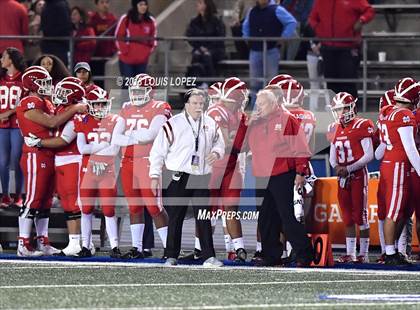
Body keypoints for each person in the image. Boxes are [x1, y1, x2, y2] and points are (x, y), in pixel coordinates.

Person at [149, 88, 225, 267]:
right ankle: (171, 255)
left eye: (201, 103)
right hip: (178, 176)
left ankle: (208, 256)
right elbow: (158, 152)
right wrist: (154, 175)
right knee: (176, 216)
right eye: (195, 103)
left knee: (204, 216)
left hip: (201, 175)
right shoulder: (173, 123)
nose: (199, 106)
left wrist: (216, 152)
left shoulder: (211, 122)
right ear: (186, 105)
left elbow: (219, 143)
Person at [16, 65, 86, 256]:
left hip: (48, 153)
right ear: (32, 83)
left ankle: (42, 241)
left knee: (46, 200)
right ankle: (23, 243)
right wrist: (76, 108)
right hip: (34, 152)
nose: (48, 86)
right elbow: (52, 123)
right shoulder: (29, 101)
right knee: (33, 199)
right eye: (43, 82)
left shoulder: (45, 101)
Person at [244, 89, 313, 266]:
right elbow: (241, 146)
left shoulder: (287, 119)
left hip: (282, 173)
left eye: (262, 104)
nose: (258, 107)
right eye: (257, 104)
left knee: (287, 217)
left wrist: (300, 172)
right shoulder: (255, 122)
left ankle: (305, 254)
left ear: (274, 103)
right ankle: (271, 255)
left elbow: (301, 148)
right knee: (265, 218)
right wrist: (247, 125)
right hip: (261, 174)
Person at [111, 73, 170, 258]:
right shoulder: (126, 107)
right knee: (134, 207)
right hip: (127, 162)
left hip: (148, 162)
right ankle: (137, 247)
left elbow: (151, 135)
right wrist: (137, 136)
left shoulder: (160, 107)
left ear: (150, 91)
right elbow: (114, 136)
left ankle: (170, 247)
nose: (136, 94)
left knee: (154, 207)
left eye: (140, 90)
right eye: (134, 90)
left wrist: (129, 136)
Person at [375, 78, 420, 265]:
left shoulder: (388, 112)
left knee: (398, 211)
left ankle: (391, 250)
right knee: (394, 212)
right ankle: (390, 252)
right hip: (398, 164)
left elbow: (381, 148)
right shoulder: (404, 115)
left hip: (388, 162)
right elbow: (410, 149)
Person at [74, 87, 122, 258]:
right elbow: (81, 148)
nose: (101, 107)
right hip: (88, 171)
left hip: (107, 171)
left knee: (109, 209)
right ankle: (85, 246)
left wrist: (94, 150)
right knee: (86, 209)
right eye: (97, 104)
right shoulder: (82, 120)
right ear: (89, 104)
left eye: (103, 104)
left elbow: (114, 150)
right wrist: (103, 146)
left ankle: (115, 246)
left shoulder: (115, 120)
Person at [328, 92, 374, 263]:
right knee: (347, 216)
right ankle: (350, 253)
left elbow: (369, 155)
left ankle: (363, 254)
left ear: (352, 107)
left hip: (358, 176)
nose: (340, 113)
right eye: (337, 109)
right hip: (343, 178)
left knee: (360, 216)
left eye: (343, 108)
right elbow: (333, 157)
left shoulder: (362, 124)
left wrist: (349, 168)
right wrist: (337, 167)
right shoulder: (334, 127)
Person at [206, 77, 248, 261]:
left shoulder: (240, 115)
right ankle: (202, 248)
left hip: (232, 166)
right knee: (209, 210)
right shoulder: (217, 111)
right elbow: (224, 144)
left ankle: (239, 248)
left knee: (231, 208)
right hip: (213, 167)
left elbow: (243, 146)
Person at [308, 0, 375, 99]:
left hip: (348, 47)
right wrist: (320, 31)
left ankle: (351, 112)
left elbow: (369, 11)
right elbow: (313, 18)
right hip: (328, 47)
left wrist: (361, 20)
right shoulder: (321, 1)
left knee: (348, 83)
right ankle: (336, 112)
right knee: (331, 84)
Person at [242, 0, 297, 108]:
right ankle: (255, 110)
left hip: (271, 50)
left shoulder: (277, 9)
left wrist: (283, 37)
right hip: (255, 50)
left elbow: (291, 22)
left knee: (271, 83)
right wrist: (247, 38)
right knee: (255, 83)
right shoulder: (252, 11)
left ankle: (270, 111)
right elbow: (245, 26)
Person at [0, 47, 27, 208]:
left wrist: (8, 112)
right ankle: (5, 195)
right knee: (2, 161)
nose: (1, 59)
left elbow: (26, 103)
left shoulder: (24, 79)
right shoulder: (1, 78)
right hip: (2, 126)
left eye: (4, 56)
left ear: (12, 60)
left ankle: (18, 195)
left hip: (17, 125)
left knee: (17, 160)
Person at [185, 0, 225, 87]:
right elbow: (190, 36)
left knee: (207, 56)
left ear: (206, 5)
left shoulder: (216, 20)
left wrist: (208, 48)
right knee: (196, 55)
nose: (197, 4)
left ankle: (210, 83)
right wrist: (200, 47)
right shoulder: (194, 21)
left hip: (216, 49)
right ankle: (196, 84)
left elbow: (220, 37)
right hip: (199, 48)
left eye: (200, 2)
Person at [115, 0, 157, 81]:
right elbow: (118, 36)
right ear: (135, 5)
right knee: (127, 84)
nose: (143, 7)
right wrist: (125, 51)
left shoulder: (151, 20)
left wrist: (146, 53)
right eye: (141, 4)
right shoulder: (126, 18)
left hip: (142, 60)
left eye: (145, 4)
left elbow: (153, 40)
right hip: (126, 59)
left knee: (139, 86)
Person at [89, 0, 117, 89]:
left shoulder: (112, 19)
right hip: (95, 56)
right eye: (102, 2)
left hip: (108, 56)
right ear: (97, 5)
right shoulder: (92, 19)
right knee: (97, 83)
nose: (105, 5)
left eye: (107, 2)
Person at [40, 0, 72, 66]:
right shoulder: (49, 4)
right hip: (52, 45)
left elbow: (64, 27)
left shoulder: (59, 5)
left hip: (57, 46)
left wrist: (46, 31)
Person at [25, 0, 45, 65]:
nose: (42, 6)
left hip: (41, 51)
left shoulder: (46, 18)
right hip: (29, 51)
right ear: (35, 6)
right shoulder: (29, 17)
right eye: (39, 4)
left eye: (43, 5)